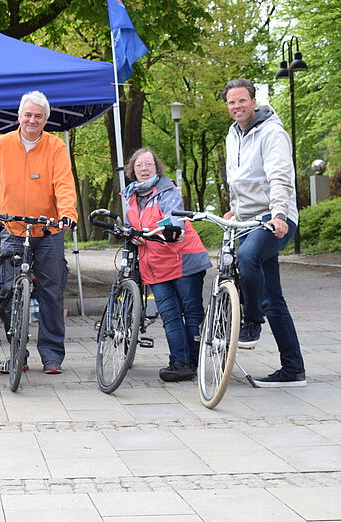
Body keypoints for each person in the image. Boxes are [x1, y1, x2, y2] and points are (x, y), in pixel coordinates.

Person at [0, 91, 77, 374]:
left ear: (46, 119)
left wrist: (68, 213)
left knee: (51, 292)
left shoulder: (56, 147)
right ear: (19, 115)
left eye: (38, 116)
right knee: (9, 290)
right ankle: (17, 351)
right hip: (12, 228)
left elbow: (64, 184)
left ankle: (52, 355)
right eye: (28, 114)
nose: (32, 120)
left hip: (49, 230)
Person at [222, 78, 306, 386]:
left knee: (247, 257)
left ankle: (252, 323)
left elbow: (280, 175)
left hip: (274, 216)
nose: (237, 106)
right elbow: (236, 179)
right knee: (273, 298)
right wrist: (235, 208)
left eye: (242, 100)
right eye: (231, 102)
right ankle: (293, 369)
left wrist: (280, 213)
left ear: (253, 101)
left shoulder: (272, 132)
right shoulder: (232, 135)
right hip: (248, 219)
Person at [122, 149, 211, 382]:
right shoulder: (128, 195)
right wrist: (132, 236)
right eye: (139, 165)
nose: (144, 169)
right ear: (133, 169)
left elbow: (175, 216)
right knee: (170, 314)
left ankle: (195, 359)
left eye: (149, 164)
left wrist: (173, 228)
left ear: (156, 167)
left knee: (191, 311)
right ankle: (180, 362)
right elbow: (129, 225)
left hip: (183, 258)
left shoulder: (167, 190)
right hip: (153, 264)